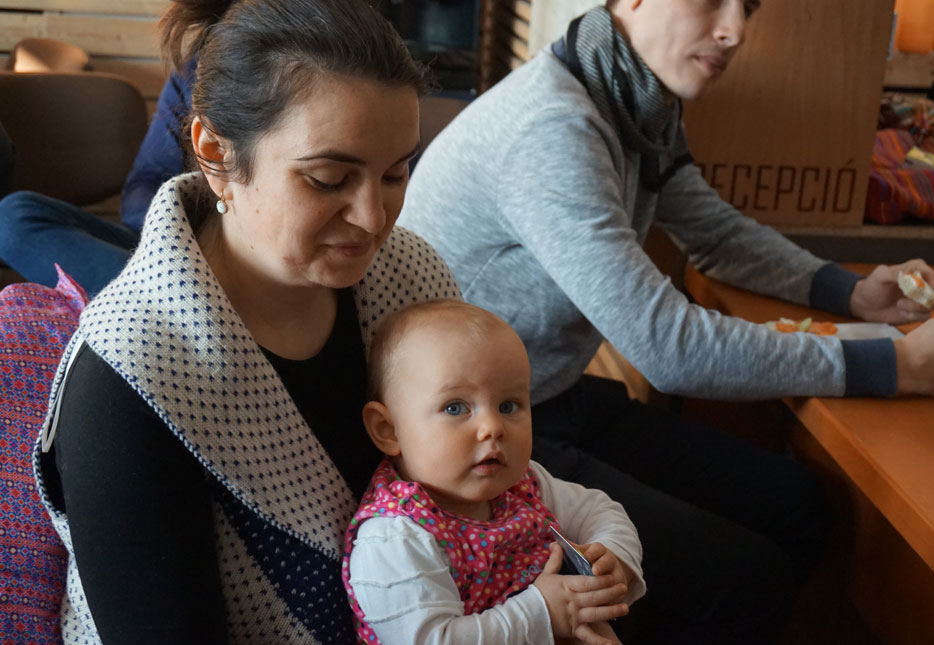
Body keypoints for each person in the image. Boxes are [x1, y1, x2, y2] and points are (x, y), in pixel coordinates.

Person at [397, 0, 934, 641]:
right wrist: (894, 364)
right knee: (748, 579)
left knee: (800, 505)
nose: (735, 31)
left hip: (546, 394)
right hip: (481, 436)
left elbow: (713, 233)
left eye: (746, 8)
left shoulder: (634, 99)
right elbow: (667, 346)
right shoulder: (553, 126)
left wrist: (853, 293)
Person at [33, 0, 460, 642]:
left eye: (396, 172)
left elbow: (487, 481)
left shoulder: (411, 276)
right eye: (328, 179)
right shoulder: (128, 374)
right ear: (215, 154)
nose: (374, 218)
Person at [342, 300, 645, 644]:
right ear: (389, 430)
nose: (492, 427)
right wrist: (543, 613)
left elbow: (599, 510)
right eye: (455, 408)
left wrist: (612, 554)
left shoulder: (522, 484)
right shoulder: (395, 538)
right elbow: (433, 639)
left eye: (508, 406)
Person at [0, 58, 193, 297]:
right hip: (168, 240)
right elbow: (149, 176)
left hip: (220, 252)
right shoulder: (191, 70)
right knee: (11, 219)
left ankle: (166, 298)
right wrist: (163, 233)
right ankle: (165, 295)